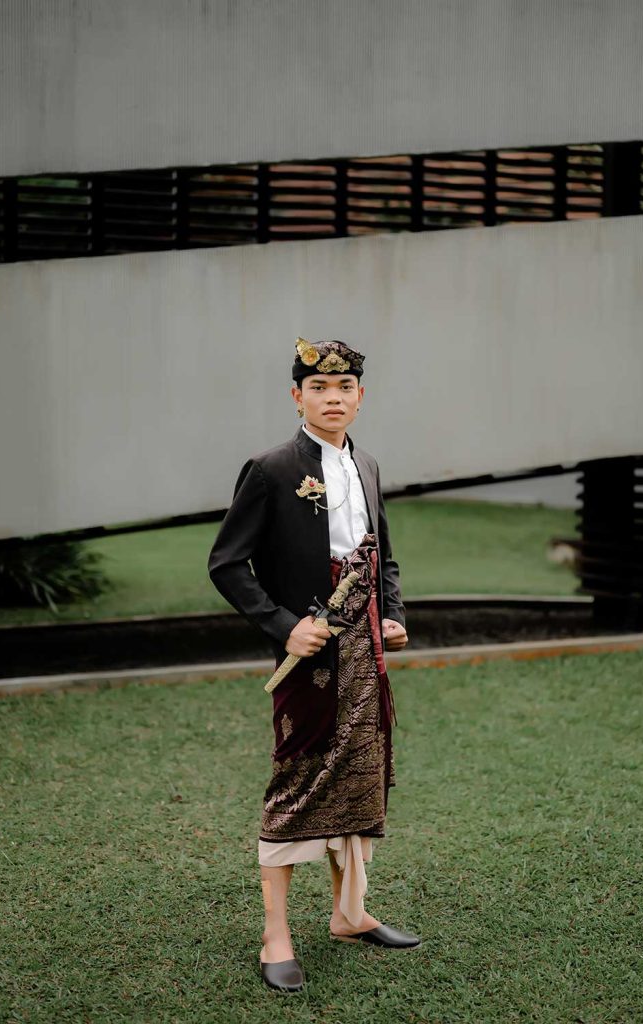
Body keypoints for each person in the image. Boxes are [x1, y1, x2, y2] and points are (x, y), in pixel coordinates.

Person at [207, 337, 421, 993]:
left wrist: (392, 614)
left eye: (345, 388)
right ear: (296, 396)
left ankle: (349, 914)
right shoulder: (270, 469)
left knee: (360, 774)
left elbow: (380, 555)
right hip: (310, 653)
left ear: (360, 396)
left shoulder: (368, 465)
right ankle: (276, 935)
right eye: (319, 388)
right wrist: (284, 626)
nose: (333, 399)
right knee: (297, 779)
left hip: (366, 651)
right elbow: (227, 564)